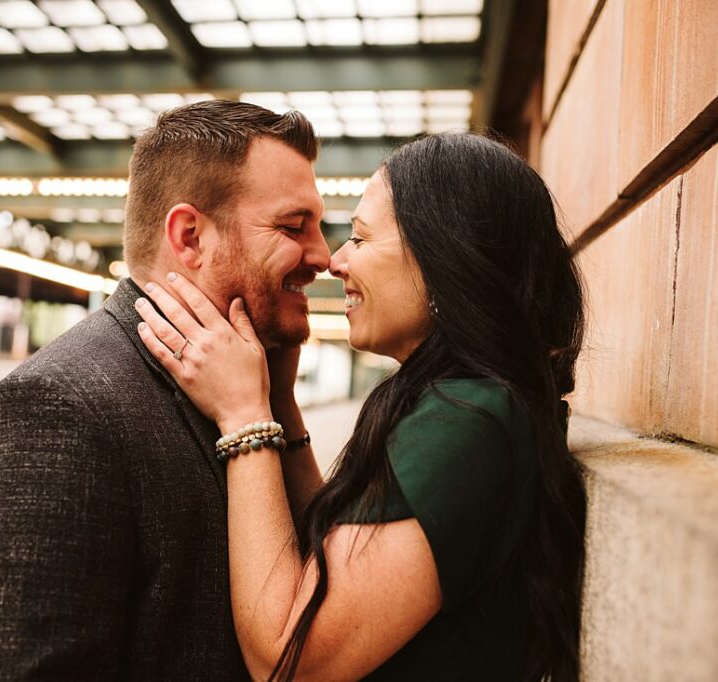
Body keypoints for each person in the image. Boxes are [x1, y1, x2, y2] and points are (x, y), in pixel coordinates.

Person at [135, 132, 588, 681]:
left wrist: (244, 417)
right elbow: (336, 563)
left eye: (360, 238)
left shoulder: (467, 421)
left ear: (444, 259)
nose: (335, 260)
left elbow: (288, 659)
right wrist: (280, 403)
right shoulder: (472, 402)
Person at [0, 100, 330, 679]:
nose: (322, 255)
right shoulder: (55, 410)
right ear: (190, 236)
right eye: (294, 227)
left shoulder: (252, 388)